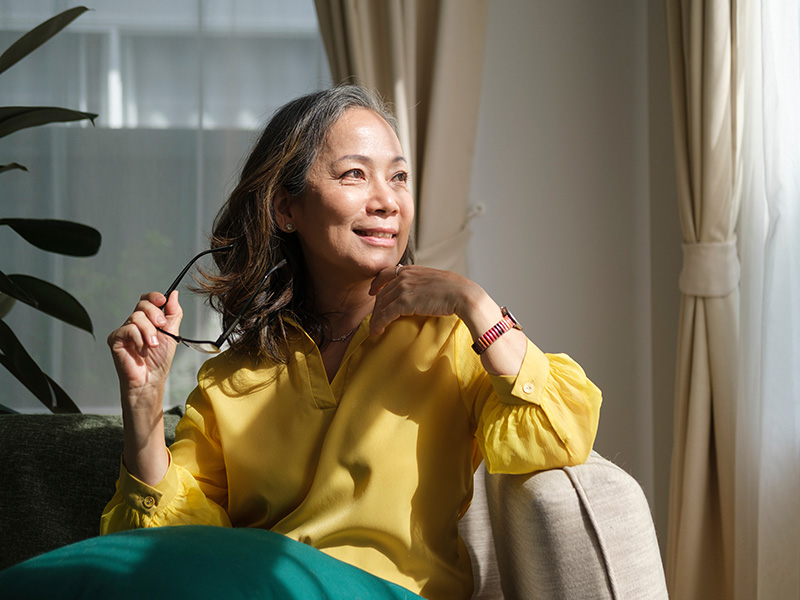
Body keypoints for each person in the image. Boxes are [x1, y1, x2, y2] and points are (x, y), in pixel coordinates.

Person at [101, 84, 602, 600]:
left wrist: (476, 304)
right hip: (261, 587)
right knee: (80, 575)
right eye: (354, 175)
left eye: (399, 177)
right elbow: (171, 551)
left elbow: (558, 436)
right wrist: (143, 407)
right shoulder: (230, 377)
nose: (386, 201)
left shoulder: (451, 339)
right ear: (285, 209)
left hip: (385, 592)